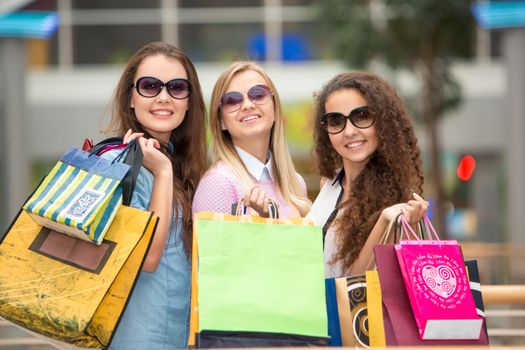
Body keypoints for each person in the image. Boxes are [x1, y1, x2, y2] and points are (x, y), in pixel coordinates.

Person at [101, 41, 207, 349]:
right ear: (131, 98)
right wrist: (161, 174)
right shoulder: (120, 164)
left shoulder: (180, 166)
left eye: (176, 87)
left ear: (189, 101)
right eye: (150, 86)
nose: (163, 97)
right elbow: (146, 258)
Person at [307, 71, 429, 278]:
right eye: (336, 121)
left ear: (383, 122)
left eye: (362, 116)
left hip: (346, 310)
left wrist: (384, 223)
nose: (349, 131)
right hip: (313, 309)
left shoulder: (400, 204)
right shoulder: (329, 184)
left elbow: (359, 288)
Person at [192, 61, 310, 218]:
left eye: (258, 94)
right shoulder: (217, 183)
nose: (247, 105)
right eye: (232, 100)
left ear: (275, 108)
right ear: (221, 121)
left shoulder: (296, 183)